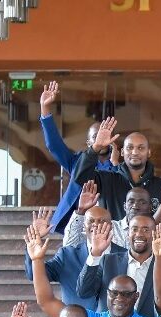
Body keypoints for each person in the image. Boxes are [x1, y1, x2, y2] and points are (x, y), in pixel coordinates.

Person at [26, 227, 155, 317]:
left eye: (126, 294)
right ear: (107, 294)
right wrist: (36, 261)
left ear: (136, 296)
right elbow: (46, 301)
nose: (119, 298)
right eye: (114, 293)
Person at [37, 80, 118, 233]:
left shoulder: (119, 167)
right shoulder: (77, 161)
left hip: (108, 225)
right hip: (77, 223)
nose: (100, 139)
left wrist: (115, 164)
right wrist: (45, 109)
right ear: (89, 142)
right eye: (95, 136)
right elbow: (54, 145)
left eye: (104, 135)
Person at [26, 202, 122, 310]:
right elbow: (33, 275)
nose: (95, 224)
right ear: (84, 225)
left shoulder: (125, 256)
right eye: (91, 221)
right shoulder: (67, 255)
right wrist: (33, 249)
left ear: (111, 226)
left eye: (102, 221)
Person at [71, 118, 161, 221]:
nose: (134, 152)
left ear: (149, 152)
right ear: (122, 152)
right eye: (129, 147)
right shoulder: (106, 180)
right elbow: (81, 177)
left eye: (140, 148)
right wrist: (96, 147)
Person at [78, 215, 161, 317]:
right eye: (134, 229)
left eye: (146, 230)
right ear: (128, 234)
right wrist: (95, 253)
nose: (139, 234)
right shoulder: (108, 261)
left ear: (155, 234)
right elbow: (84, 292)